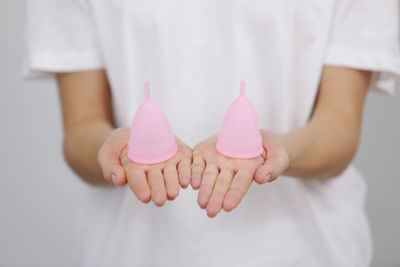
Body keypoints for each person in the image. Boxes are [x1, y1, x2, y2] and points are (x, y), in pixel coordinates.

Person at [25, 0, 400, 266]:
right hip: (132, 252)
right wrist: (116, 152)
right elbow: (81, 129)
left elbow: (340, 122)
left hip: (304, 252)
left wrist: (281, 150)